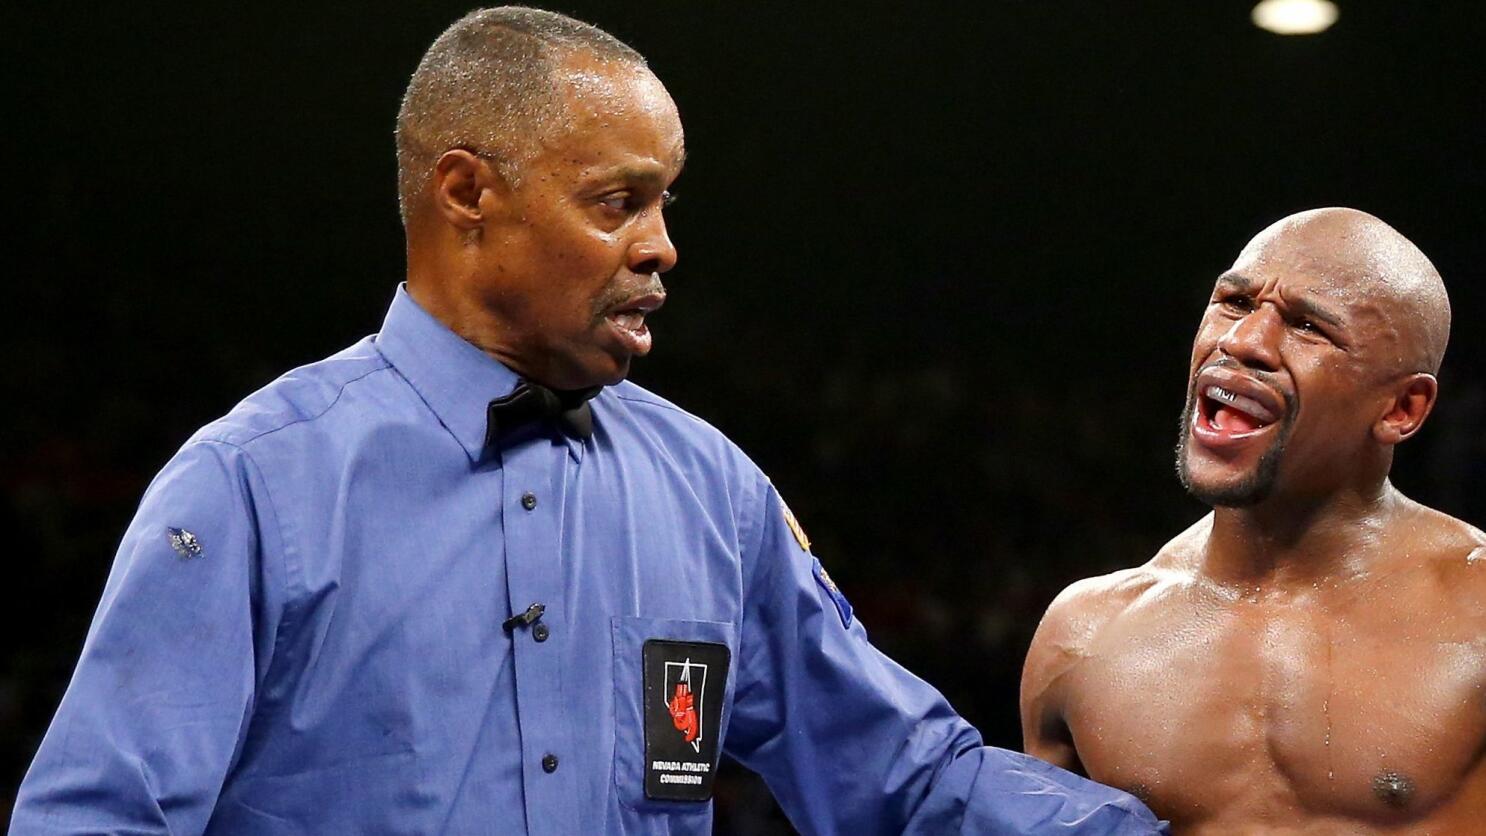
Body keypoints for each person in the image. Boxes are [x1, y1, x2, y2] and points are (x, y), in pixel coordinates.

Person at [13, 7, 1163, 834]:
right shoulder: (253, 486)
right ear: (468, 194)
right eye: (618, 201)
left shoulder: (713, 492)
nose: (662, 246)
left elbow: (902, 777)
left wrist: (1194, 826)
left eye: (665, 201)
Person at [1020, 207, 1486, 833]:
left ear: (1402, 408)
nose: (1242, 343)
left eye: (1307, 326)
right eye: (1235, 303)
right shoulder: (1083, 636)